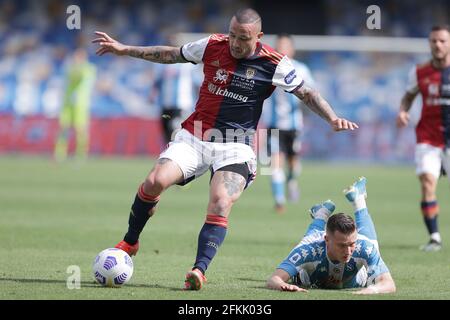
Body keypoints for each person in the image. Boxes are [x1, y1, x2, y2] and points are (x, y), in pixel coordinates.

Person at [92, 8, 358, 290]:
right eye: (232, 35)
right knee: (154, 181)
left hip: (235, 145)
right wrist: (125, 49)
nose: (235, 43)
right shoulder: (211, 45)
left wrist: (332, 118)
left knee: (221, 200)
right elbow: (171, 54)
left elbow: (308, 93)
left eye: (243, 38)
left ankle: (198, 270)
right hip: (195, 136)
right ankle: (131, 241)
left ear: (259, 37)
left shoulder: (275, 63)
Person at [267, 177, 396, 294]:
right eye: (342, 245)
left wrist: (374, 289)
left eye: (352, 244)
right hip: (312, 259)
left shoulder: (364, 247)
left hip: (358, 278)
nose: (348, 251)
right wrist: (283, 285)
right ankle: (322, 214)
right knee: (310, 238)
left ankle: (357, 200)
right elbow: (274, 279)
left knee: (372, 244)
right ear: (327, 240)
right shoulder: (308, 251)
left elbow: (388, 283)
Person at [396, 25, 450, 252]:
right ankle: (435, 237)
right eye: (433, 41)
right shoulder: (419, 72)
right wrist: (403, 111)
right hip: (428, 138)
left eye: (442, 41)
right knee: (427, 183)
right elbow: (408, 96)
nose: (437, 45)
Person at [262, 34, 315, 213]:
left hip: (294, 126)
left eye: (285, 46)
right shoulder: (268, 68)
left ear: (292, 49)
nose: (282, 49)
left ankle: (291, 181)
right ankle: (279, 200)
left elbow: (311, 94)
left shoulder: (302, 69)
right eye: (279, 46)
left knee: (293, 162)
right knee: (275, 163)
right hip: (274, 125)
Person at [152, 35, 200, 145]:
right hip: (165, 105)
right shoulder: (162, 64)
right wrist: (152, 96)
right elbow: (157, 82)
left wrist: (200, 101)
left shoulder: (188, 64)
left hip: (182, 105)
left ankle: (179, 158)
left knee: (178, 132)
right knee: (167, 133)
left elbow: (198, 83)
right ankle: (168, 157)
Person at [54, 48, 97, 162]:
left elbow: (83, 79)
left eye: (79, 57)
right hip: (67, 102)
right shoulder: (70, 67)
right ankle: (60, 154)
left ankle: (81, 154)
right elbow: (66, 79)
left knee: (80, 129)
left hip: (81, 103)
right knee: (63, 127)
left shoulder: (89, 68)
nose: (77, 59)